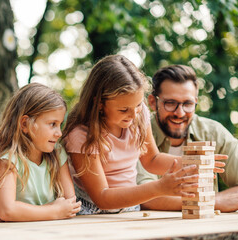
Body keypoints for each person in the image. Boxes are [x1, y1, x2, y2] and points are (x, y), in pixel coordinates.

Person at [62, 54, 200, 215]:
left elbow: (152, 160)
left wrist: (195, 162)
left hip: (131, 207)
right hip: (92, 210)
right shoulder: (81, 136)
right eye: (123, 110)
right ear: (99, 104)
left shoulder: (139, 116)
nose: (134, 115)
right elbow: (102, 197)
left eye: (138, 105)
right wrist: (159, 188)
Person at [136, 64, 238, 212]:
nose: (180, 113)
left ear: (195, 101)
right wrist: (210, 202)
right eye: (170, 103)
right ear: (153, 102)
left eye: (188, 103)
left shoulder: (213, 132)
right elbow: (144, 196)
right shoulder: (138, 132)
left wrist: (210, 201)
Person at [0, 83, 81, 222]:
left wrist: (21, 213)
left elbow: (70, 204)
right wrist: (55, 210)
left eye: (60, 124)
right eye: (52, 124)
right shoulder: (10, 160)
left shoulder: (57, 154)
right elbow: (7, 210)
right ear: (25, 124)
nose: (59, 133)